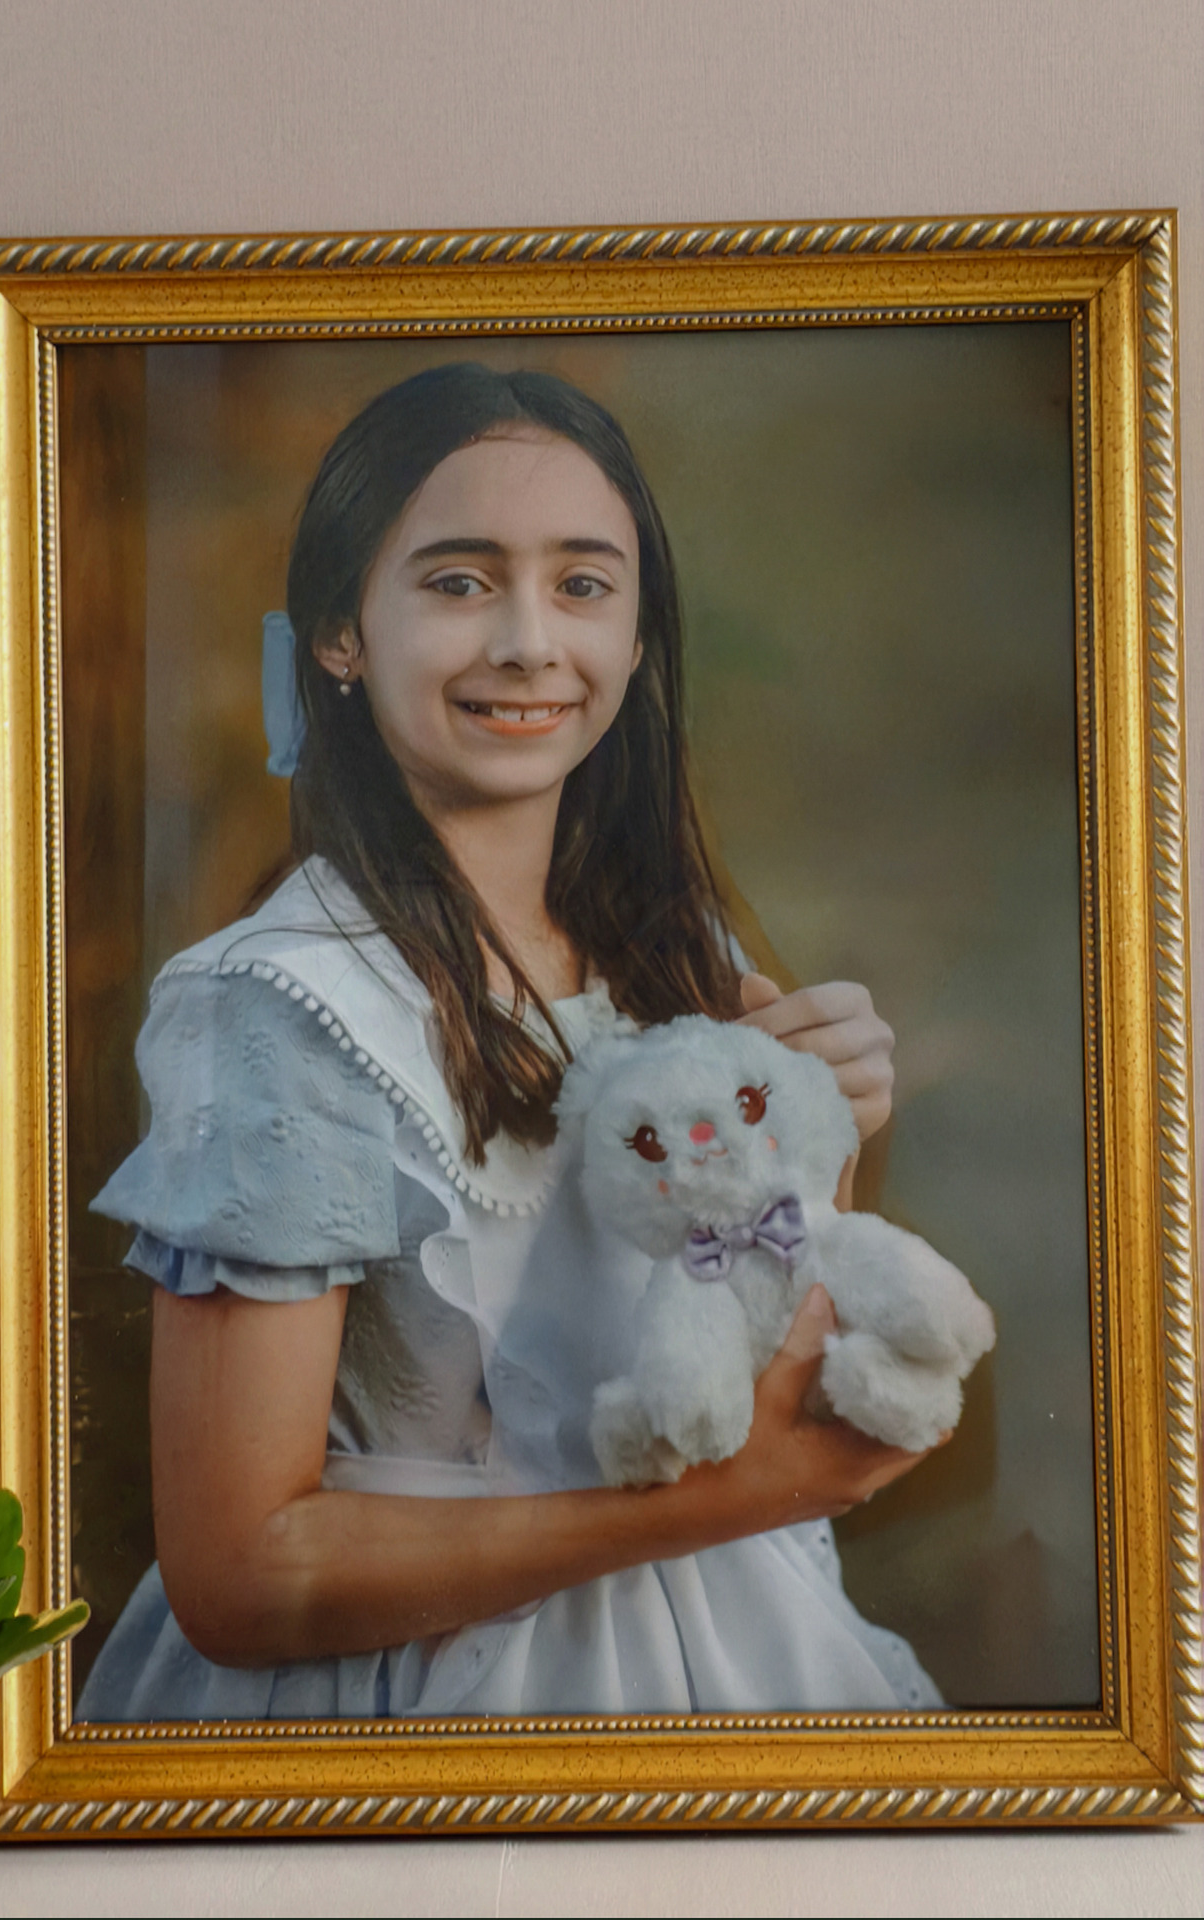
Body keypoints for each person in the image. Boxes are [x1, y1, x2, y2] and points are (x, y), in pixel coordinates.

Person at [78, 363, 940, 1722]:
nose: (531, 642)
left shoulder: (683, 952)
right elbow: (240, 1574)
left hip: (742, 1659)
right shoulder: (279, 1011)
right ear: (337, 633)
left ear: (641, 634)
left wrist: (825, 1132)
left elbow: (744, 1347)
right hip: (409, 1712)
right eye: (461, 581)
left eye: (583, 584)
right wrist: (731, 1499)